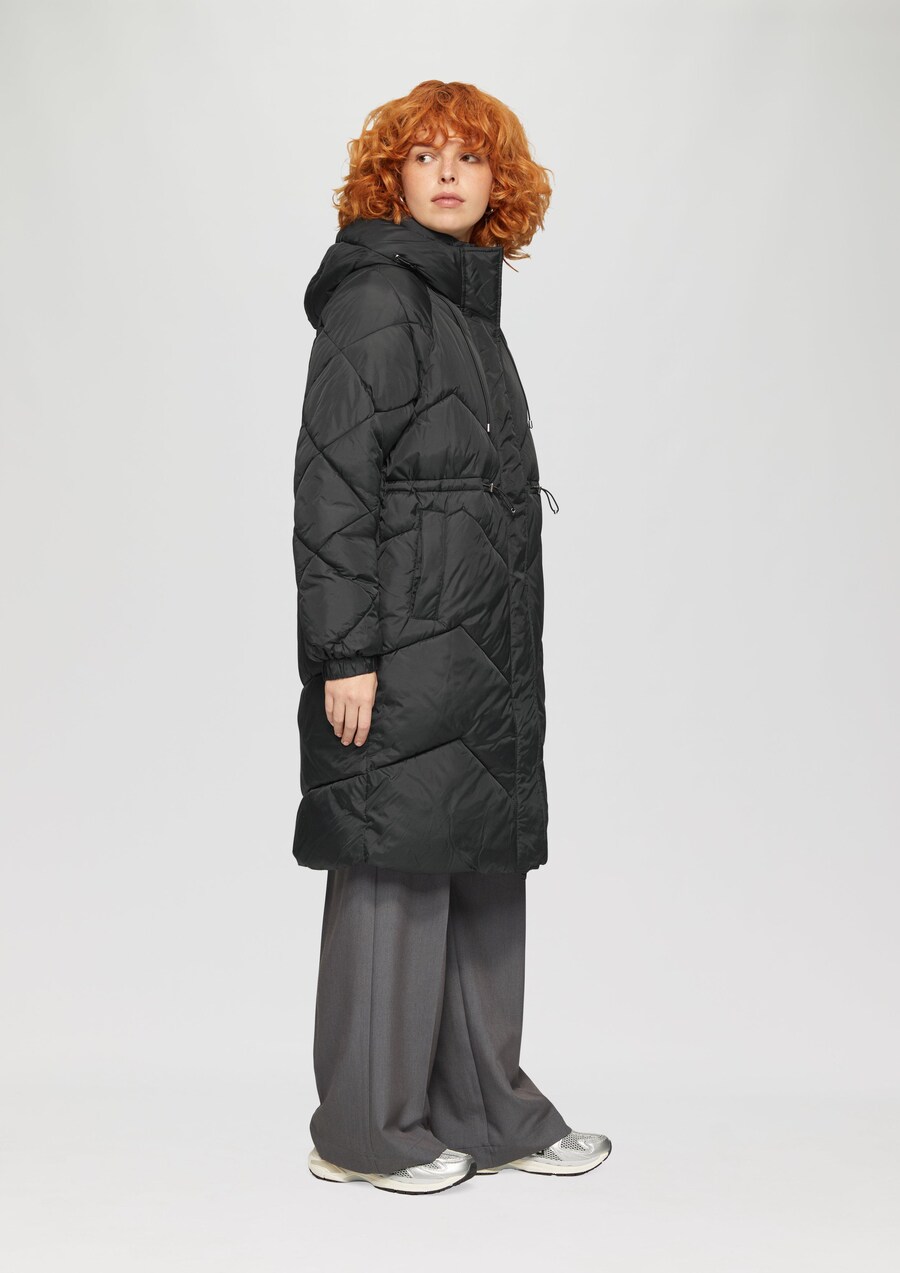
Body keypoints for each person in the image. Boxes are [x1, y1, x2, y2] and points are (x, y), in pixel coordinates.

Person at [291, 79, 612, 1195]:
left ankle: (491, 1112)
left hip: (479, 648)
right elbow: (332, 488)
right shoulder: (379, 299)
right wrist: (346, 654)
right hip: (401, 650)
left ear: (497, 184)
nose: (445, 173)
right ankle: (365, 1132)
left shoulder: (466, 309)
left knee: (478, 873)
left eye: (468, 158)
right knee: (396, 874)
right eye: (423, 154)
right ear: (391, 176)